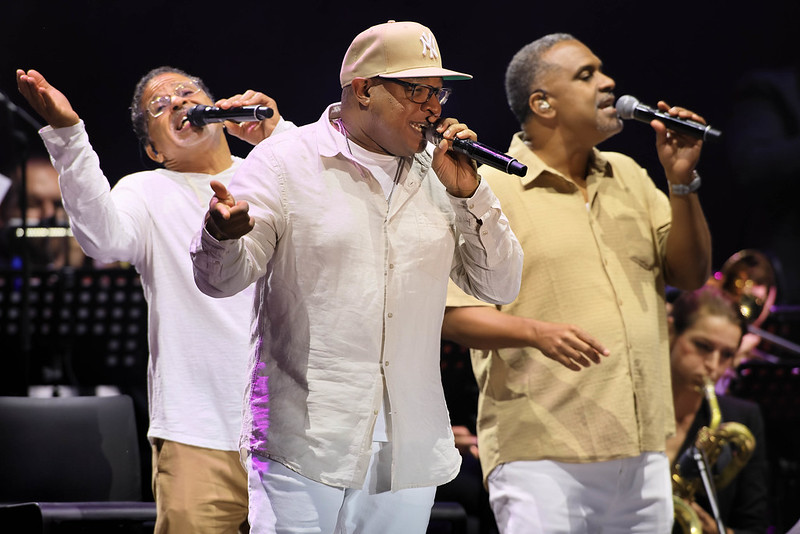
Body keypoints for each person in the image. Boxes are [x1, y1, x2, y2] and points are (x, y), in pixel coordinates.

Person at [190, 20, 523, 534]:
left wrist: (469, 194)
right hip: (305, 439)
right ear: (364, 89)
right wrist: (222, 235)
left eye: (438, 94)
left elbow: (501, 285)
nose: (433, 109)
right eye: (417, 92)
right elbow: (221, 281)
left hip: (409, 446)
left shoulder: (444, 172)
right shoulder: (285, 161)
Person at [442, 33, 713, 533]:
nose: (608, 82)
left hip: (643, 449)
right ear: (542, 103)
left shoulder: (629, 175)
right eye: (587, 75)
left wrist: (681, 182)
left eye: (602, 71)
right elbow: (452, 313)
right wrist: (536, 332)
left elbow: (692, 274)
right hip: (542, 455)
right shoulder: (489, 188)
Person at [16, 65, 293, 533]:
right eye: (159, 106)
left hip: (288, 433)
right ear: (154, 150)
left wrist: (279, 137)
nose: (179, 102)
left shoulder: (272, 175)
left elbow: (335, 211)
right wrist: (67, 133)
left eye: (188, 92)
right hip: (196, 432)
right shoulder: (146, 191)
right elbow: (101, 241)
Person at [667, 285, 769, 534]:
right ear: (671, 332)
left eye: (726, 355)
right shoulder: (629, 407)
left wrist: (715, 531)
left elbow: (754, 526)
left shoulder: (742, 419)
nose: (713, 366)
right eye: (703, 346)